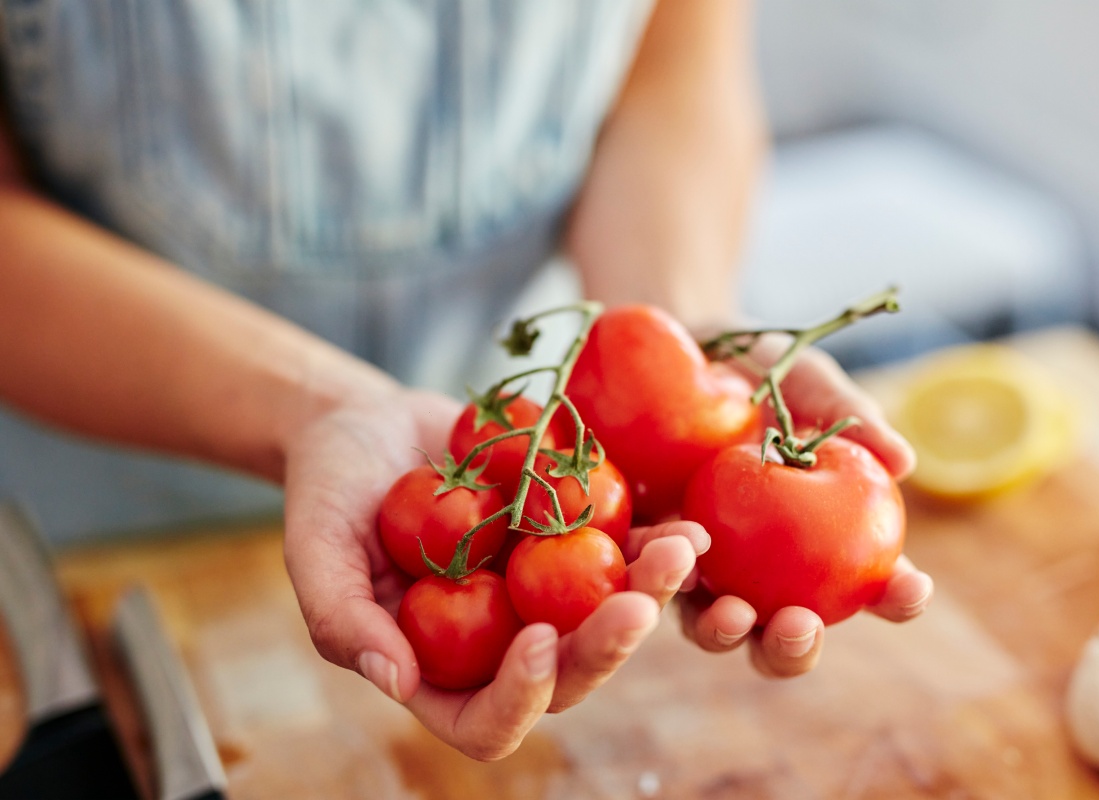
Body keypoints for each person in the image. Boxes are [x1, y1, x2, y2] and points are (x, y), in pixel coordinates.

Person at [0, 0, 932, 761]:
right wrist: (312, 408)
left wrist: (665, 327)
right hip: (101, 540)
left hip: (524, 450)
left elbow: (672, 63)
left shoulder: (548, 500)